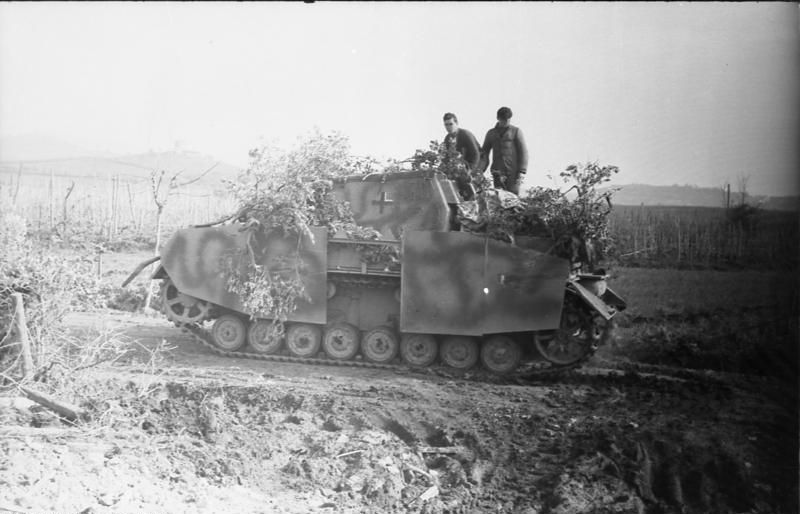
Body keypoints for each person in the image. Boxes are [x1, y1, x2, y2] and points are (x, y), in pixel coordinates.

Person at [479, 106, 529, 195]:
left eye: (508, 120)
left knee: (512, 199)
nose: (506, 122)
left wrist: (522, 171)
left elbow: (523, 152)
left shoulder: (516, 131)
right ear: (498, 118)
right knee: (499, 199)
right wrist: (480, 170)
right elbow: (484, 154)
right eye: (504, 120)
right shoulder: (491, 133)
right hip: (497, 172)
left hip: (513, 173)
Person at [442, 112, 481, 199]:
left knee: (474, 197)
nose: (448, 127)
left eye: (451, 124)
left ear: (456, 123)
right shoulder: (447, 138)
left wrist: (470, 170)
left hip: (473, 168)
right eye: (446, 125)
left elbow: (476, 154)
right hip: (459, 171)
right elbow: (447, 157)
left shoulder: (465, 135)